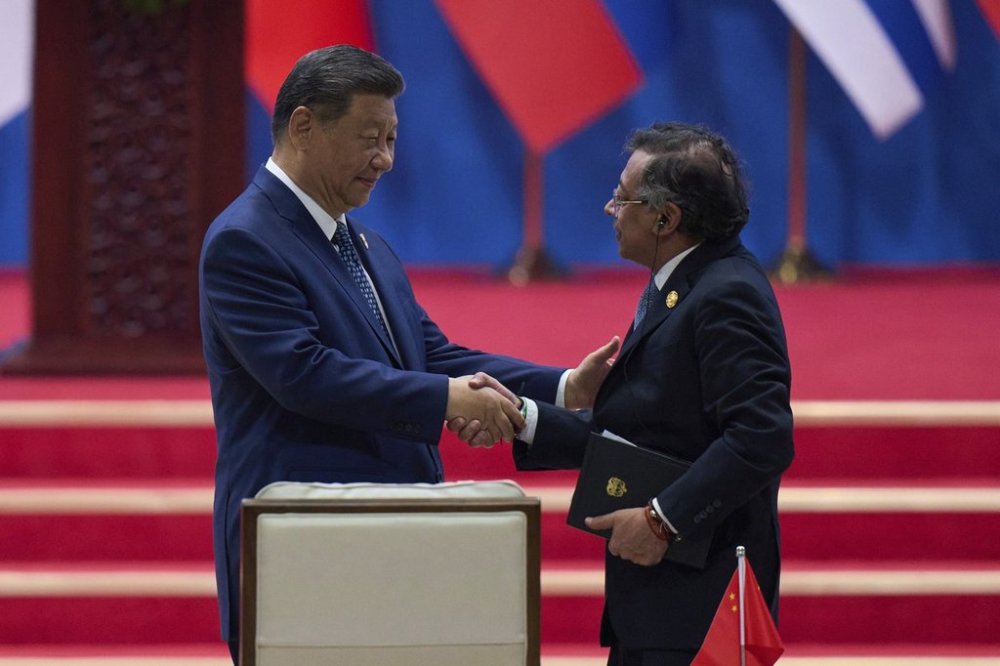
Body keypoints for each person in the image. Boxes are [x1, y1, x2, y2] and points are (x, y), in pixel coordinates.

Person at [198, 44, 618, 663]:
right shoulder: (245, 240)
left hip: (393, 540)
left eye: (392, 139)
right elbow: (303, 374)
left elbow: (429, 354)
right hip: (303, 545)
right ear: (304, 126)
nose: (386, 160)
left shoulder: (365, 243)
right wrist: (444, 401)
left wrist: (561, 389)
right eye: (371, 138)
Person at [465, 122, 794, 665]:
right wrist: (522, 415)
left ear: (667, 218)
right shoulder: (683, 281)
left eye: (623, 197)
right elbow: (646, 430)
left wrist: (663, 520)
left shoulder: (726, 294)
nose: (610, 208)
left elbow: (762, 438)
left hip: (701, 607)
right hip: (661, 602)